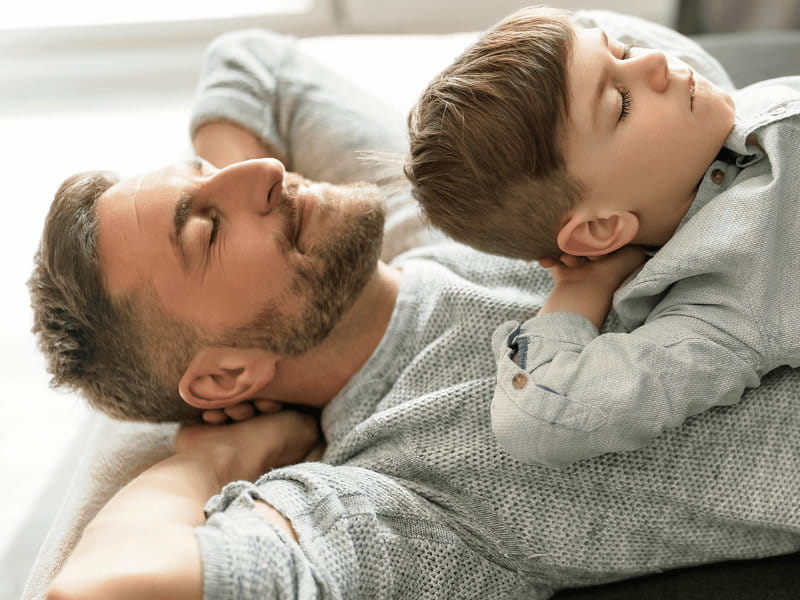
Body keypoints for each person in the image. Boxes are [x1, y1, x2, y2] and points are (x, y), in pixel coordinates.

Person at [33, 11, 800, 600]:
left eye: (210, 171)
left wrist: (240, 211)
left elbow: (253, 60)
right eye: (205, 228)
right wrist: (212, 460)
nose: (265, 170)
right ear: (226, 376)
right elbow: (108, 584)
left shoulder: (432, 217)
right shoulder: (398, 490)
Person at [406, 6, 800, 468]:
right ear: (599, 227)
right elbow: (539, 418)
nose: (653, 63)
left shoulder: (708, 112)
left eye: (624, 53)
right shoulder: (724, 304)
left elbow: (591, 24)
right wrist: (581, 291)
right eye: (620, 105)